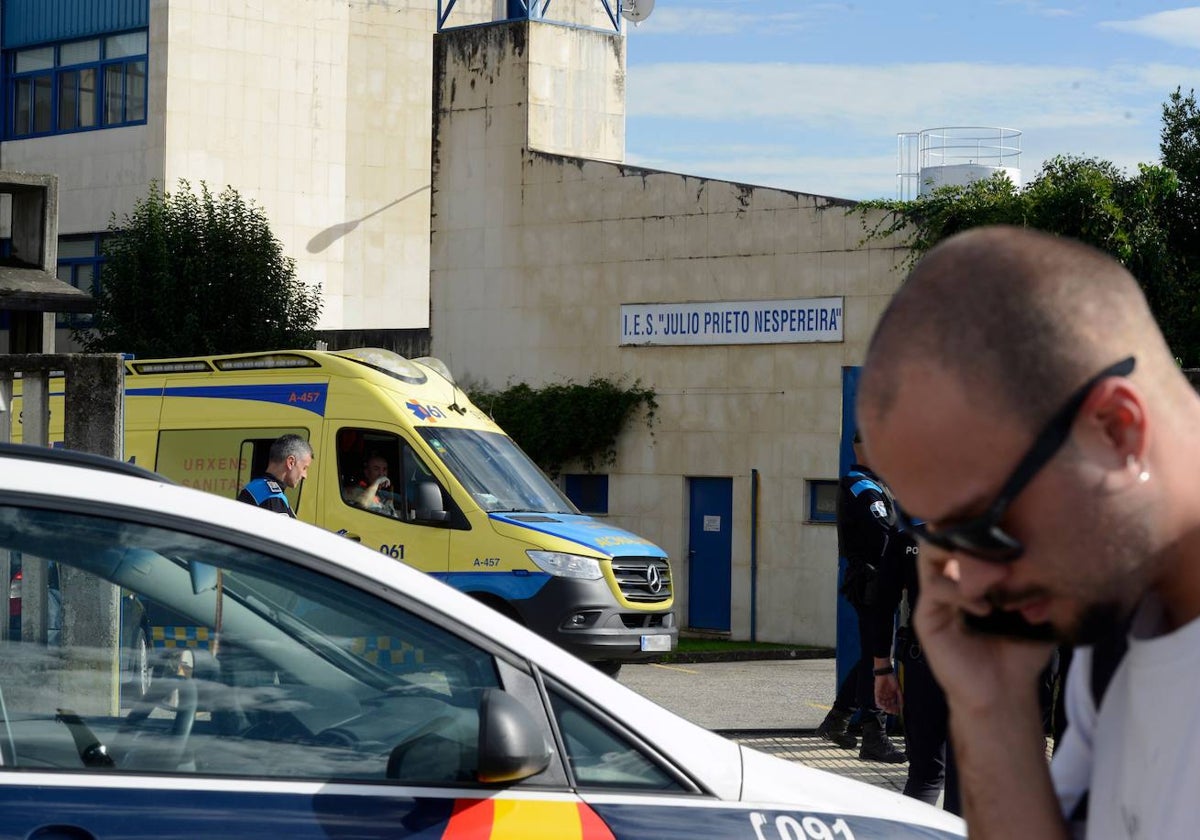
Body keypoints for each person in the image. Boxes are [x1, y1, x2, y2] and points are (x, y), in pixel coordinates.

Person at [856, 224, 1200, 838]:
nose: (967, 579)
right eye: (933, 533)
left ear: (1117, 431)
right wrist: (993, 711)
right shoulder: (1120, 633)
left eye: (984, 523)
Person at [815, 430, 907, 764]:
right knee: (877, 659)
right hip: (872, 582)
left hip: (875, 580)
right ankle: (874, 736)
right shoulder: (864, 487)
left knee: (873, 653)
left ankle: (838, 718)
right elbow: (887, 534)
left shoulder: (873, 483)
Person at [869, 517, 961, 814]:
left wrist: (882, 669)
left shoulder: (909, 533)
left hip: (925, 663)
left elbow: (882, 604)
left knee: (925, 775)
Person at [237, 434, 313, 517]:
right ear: (291, 462)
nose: (304, 475)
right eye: (304, 468)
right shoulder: (272, 498)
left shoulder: (254, 487)